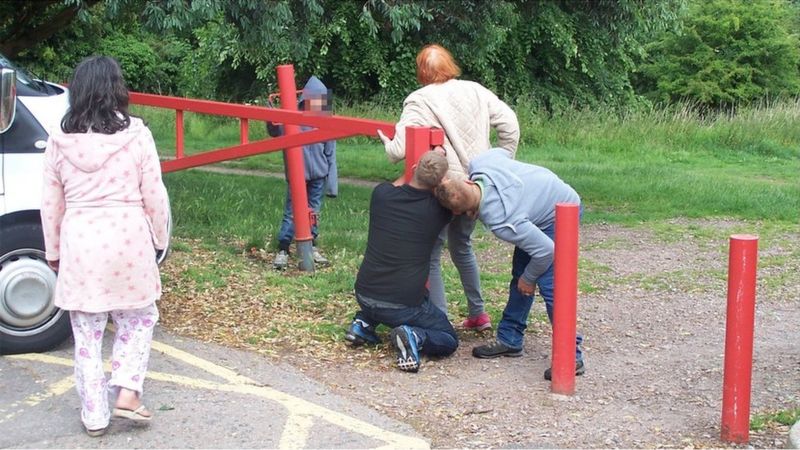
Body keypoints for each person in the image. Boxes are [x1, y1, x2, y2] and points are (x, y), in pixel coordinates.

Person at [40, 56, 170, 436]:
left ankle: (94, 413)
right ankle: (128, 391)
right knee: (139, 318)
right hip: (128, 239)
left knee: (86, 331)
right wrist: (159, 239)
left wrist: (53, 251)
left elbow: (51, 203)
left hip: (81, 242)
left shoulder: (58, 141)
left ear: (76, 92)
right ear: (118, 89)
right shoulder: (138, 135)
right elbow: (154, 195)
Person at [377, 44, 519, 330]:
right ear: (449, 65)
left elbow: (397, 151)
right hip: (476, 187)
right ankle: (478, 314)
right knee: (462, 246)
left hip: (441, 189)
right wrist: (501, 162)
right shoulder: (476, 90)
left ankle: (439, 320)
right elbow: (510, 126)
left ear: (421, 71)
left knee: (431, 252)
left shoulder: (419, 100)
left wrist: (385, 139)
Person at [434, 148, 585, 380]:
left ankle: (571, 356)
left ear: (459, 212)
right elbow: (503, 150)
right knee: (520, 273)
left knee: (550, 285)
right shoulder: (481, 163)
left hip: (561, 212)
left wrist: (529, 278)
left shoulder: (503, 219)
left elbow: (546, 251)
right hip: (541, 202)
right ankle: (510, 338)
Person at [344, 150, 458, 372]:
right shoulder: (438, 211)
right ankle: (415, 336)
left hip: (365, 294)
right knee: (448, 338)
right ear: (441, 183)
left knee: (380, 297)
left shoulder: (381, 195)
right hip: (403, 306)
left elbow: (403, 182)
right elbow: (457, 201)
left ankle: (363, 324)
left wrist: (423, 161)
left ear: (414, 169)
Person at [267, 75, 338, 270]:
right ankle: (283, 247)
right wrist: (270, 114)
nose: (320, 105)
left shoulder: (324, 118)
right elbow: (275, 131)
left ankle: (311, 245)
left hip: (318, 174)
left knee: (313, 211)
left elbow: (331, 151)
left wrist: (332, 184)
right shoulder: (292, 116)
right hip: (297, 174)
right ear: (306, 99)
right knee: (292, 211)